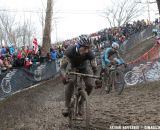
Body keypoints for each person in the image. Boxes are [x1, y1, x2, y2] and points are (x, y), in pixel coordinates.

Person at [60, 34, 100, 117]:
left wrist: (96, 78)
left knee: (90, 85)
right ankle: (67, 106)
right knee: (70, 82)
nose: (86, 51)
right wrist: (64, 75)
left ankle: (80, 103)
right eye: (85, 48)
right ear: (78, 45)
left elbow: (95, 68)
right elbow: (62, 68)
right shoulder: (69, 51)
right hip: (73, 67)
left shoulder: (90, 52)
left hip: (84, 67)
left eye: (88, 48)